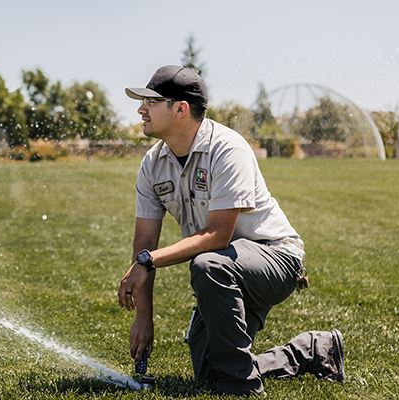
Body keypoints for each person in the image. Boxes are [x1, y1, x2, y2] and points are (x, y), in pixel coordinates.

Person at [117, 65, 344, 396]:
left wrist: (148, 260)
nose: (141, 109)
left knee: (207, 264)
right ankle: (312, 350)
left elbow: (217, 236)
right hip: (224, 269)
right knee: (211, 369)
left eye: (151, 102)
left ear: (180, 109)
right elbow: (144, 245)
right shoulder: (153, 164)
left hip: (275, 258)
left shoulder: (227, 148)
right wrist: (144, 317)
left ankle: (242, 388)